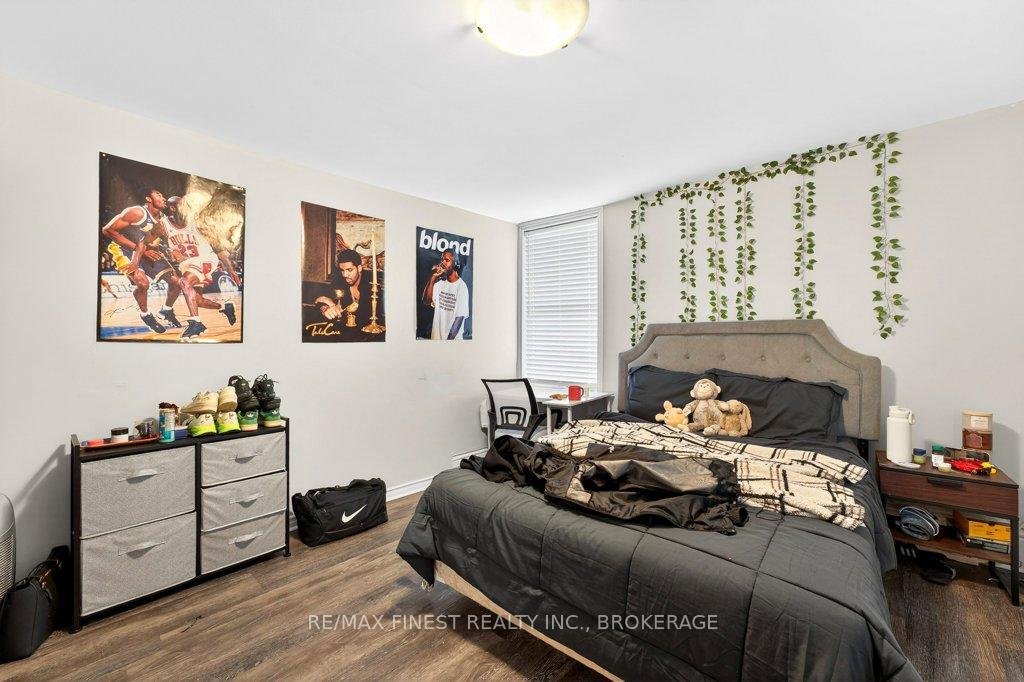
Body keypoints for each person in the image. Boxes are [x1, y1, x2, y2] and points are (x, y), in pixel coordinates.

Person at [130, 195, 240, 340]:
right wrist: (135, 261)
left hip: (205, 258)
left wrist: (231, 269)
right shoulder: (163, 225)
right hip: (186, 264)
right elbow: (144, 242)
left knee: (184, 282)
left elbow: (219, 248)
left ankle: (196, 323)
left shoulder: (199, 223)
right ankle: (225, 307)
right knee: (197, 300)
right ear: (173, 208)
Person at [100, 187, 180, 333]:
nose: (163, 198)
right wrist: (139, 249)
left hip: (146, 250)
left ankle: (167, 310)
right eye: (159, 195)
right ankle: (146, 315)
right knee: (143, 283)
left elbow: (153, 240)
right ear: (148, 199)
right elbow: (107, 230)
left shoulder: (162, 218)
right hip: (125, 249)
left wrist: (170, 250)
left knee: (176, 282)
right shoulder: (137, 212)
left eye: (163, 196)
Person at [313, 248, 377, 328]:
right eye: (342, 270)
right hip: (345, 329)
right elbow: (319, 297)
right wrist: (325, 308)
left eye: (349, 270)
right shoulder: (339, 280)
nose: (345, 275)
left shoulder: (372, 283)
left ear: (359, 268)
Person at [421, 249, 469, 340]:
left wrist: (447, 344)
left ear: (455, 263)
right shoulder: (439, 284)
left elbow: (458, 320)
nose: (443, 263)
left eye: (447, 260)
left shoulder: (461, 287)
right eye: (442, 260)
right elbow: (426, 301)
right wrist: (433, 277)